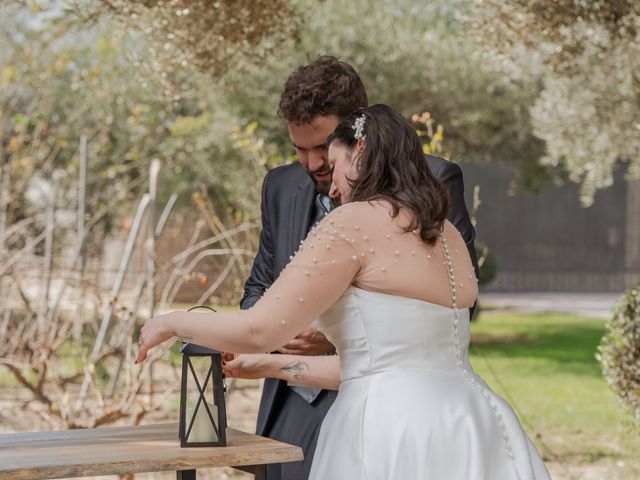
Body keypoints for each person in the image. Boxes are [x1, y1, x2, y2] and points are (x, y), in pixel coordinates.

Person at [136, 104, 550, 479]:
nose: (331, 187)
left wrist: (171, 322)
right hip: (474, 425)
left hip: (389, 433)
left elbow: (261, 328)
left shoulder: (352, 221)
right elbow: (378, 364)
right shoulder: (447, 235)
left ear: (362, 150)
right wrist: (266, 367)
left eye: (334, 164)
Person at [239, 55, 478, 480]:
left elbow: (455, 304)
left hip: (385, 411)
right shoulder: (278, 186)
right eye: (299, 148)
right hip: (288, 403)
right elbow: (259, 284)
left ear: (357, 133)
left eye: (322, 147)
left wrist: (332, 338)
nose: (313, 164)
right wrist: (279, 331)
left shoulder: (435, 180)